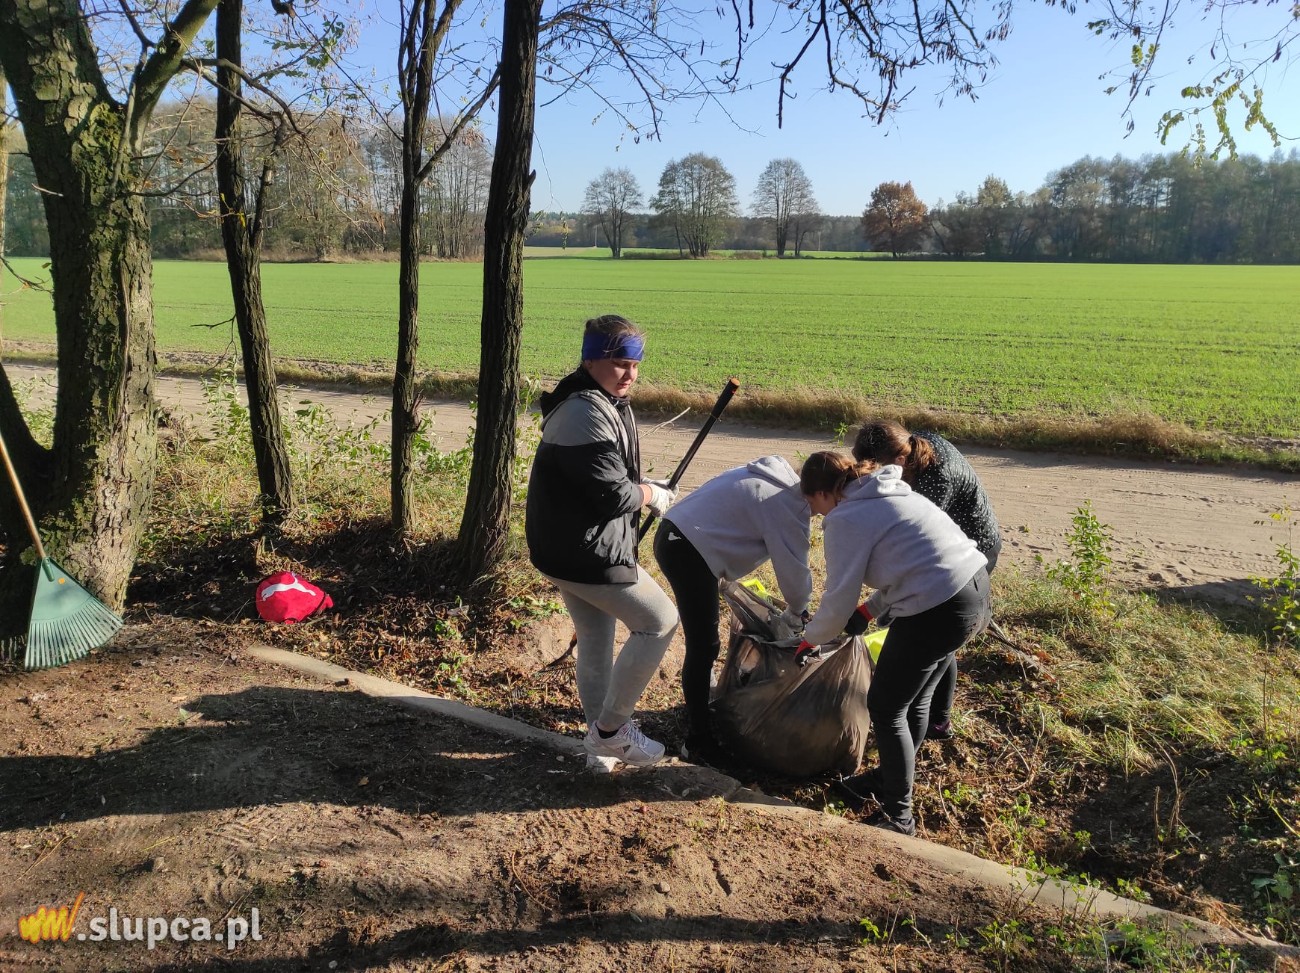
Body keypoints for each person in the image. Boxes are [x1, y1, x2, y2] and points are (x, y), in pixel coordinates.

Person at [796, 451, 989, 835]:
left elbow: (837, 598)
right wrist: (869, 611)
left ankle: (899, 817)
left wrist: (810, 639)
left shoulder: (846, 518)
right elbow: (912, 563)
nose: (815, 513)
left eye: (812, 503)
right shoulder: (889, 492)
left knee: (885, 708)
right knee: (913, 700)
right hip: (973, 591)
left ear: (823, 493)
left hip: (937, 608)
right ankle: (888, 780)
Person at [525, 315, 680, 772]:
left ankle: (599, 750)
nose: (630, 373)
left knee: (596, 639)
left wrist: (642, 487)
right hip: (585, 552)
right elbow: (613, 495)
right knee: (659, 622)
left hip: (564, 546)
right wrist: (651, 494)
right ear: (591, 359)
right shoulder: (583, 411)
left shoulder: (601, 399)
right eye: (620, 363)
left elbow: (603, 479)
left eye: (636, 364)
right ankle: (612, 731)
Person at [652, 455, 814, 761]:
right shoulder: (789, 504)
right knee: (704, 646)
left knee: (703, 643)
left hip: (673, 534)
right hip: (687, 550)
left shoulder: (770, 477)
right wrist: (799, 609)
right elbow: (793, 571)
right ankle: (698, 741)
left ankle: (703, 704)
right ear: (819, 492)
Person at [853, 420, 1001, 742]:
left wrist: (876, 608)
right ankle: (933, 719)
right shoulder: (912, 446)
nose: (870, 475)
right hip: (957, 557)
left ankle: (933, 719)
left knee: (936, 638)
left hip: (973, 552)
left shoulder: (934, 479)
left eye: (876, 468)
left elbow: (919, 561)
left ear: (899, 460)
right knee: (938, 643)